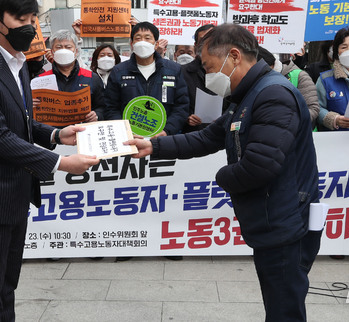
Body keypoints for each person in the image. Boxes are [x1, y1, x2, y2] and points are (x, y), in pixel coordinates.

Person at [125, 24, 321, 322]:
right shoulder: (246, 95)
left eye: (209, 66)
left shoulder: (273, 95)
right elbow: (207, 137)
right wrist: (153, 146)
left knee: (284, 307)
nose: (206, 76)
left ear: (233, 56)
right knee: (277, 301)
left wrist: (221, 178)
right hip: (270, 218)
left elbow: (260, 165)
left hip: (284, 221)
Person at [0, 0, 99, 321]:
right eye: (21, 18)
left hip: (16, 192)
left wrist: (57, 133)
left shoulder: (18, 62)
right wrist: (62, 163)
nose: (30, 27)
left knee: (7, 285)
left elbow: (21, 121)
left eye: (33, 18)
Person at [104, 21, 189, 137]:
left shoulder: (173, 70)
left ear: (156, 44)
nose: (142, 42)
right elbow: (111, 107)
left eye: (147, 38)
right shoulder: (119, 71)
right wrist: (125, 132)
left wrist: (167, 131)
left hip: (164, 139)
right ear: (132, 44)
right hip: (129, 138)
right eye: (138, 38)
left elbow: (181, 106)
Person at [37, 29, 105, 125]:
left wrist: (97, 114)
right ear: (52, 52)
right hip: (53, 134)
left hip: (84, 133)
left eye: (68, 47)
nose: (63, 50)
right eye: (59, 47)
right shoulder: (41, 80)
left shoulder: (92, 78)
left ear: (76, 52)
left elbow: (102, 106)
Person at [182, 24, 218, 133]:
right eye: (203, 41)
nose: (208, 45)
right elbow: (177, 104)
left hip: (221, 136)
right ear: (196, 45)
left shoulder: (229, 72)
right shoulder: (182, 72)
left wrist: (224, 118)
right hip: (191, 135)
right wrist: (187, 117)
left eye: (212, 40)